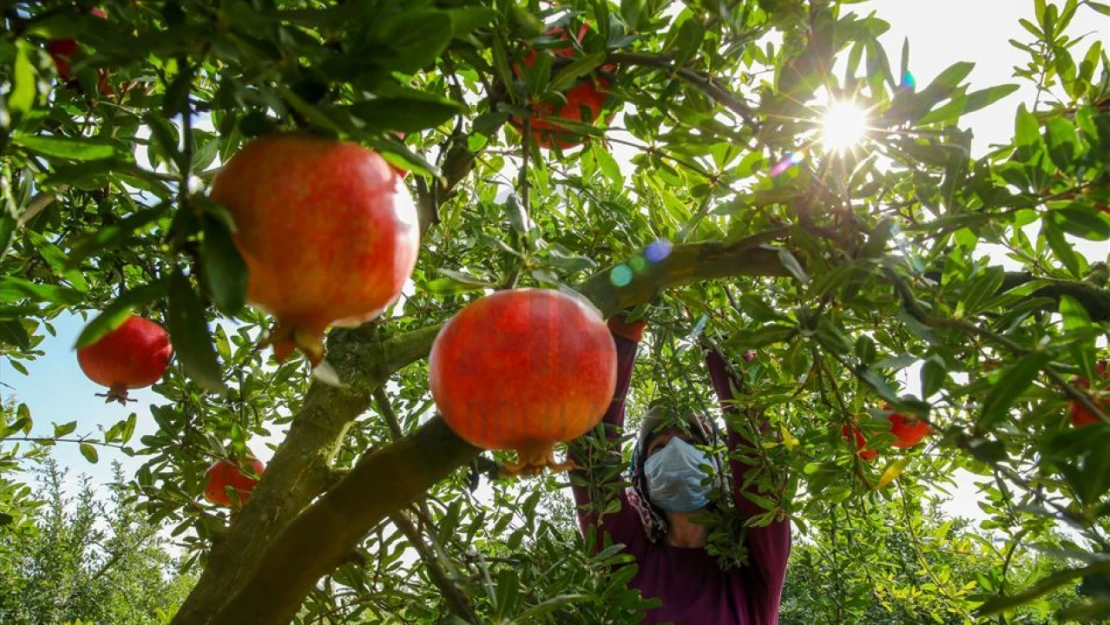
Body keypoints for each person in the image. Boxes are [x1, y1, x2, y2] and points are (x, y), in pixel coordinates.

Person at [570, 314, 791, 624]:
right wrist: (625, 327)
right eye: (659, 447)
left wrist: (706, 317)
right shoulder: (628, 560)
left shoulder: (754, 566)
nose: (676, 451)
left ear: (718, 465)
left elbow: (758, 449)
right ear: (643, 477)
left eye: (692, 443)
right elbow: (591, 463)